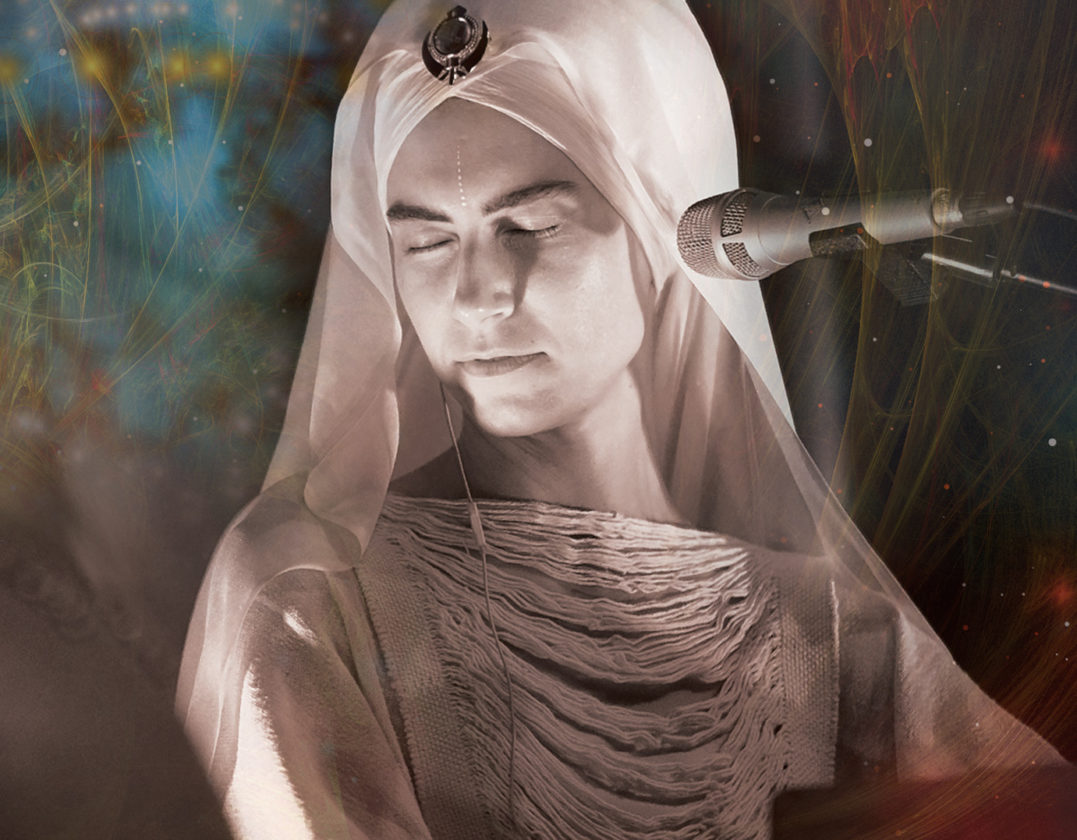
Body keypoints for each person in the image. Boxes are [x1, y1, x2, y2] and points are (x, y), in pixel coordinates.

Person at [176, 1, 1067, 838]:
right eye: (427, 241)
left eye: (531, 225)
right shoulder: (310, 593)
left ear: (662, 235)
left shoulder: (831, 631)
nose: (477, 296)